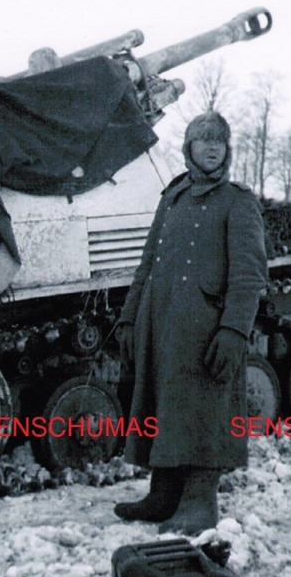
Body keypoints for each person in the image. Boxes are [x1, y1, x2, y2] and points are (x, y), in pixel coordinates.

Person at [114, 112, 267, 535]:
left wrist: (234, 329)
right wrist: (129, 319)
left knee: (203, 410)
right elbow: (147, 263)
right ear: (188, 148)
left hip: (206, 331)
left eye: (219, 140)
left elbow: (249, 273)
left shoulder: (238, 201)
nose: (212, 147)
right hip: (160, 325)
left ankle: (200, 504)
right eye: (203, 140)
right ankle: (163, 495)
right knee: (164, 406)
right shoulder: (173, 196)